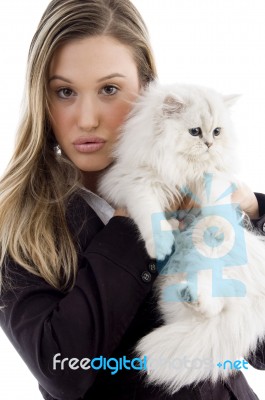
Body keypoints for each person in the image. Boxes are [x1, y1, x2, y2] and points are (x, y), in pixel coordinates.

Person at [0, 0, 264, 399]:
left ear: (147, 91)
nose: (87, 118)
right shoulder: (19, 224)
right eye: (65, 91)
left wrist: (255, 212)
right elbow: (62, 370)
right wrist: (132, 222)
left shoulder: (203, 185)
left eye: (109, 89)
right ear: (42, 99)